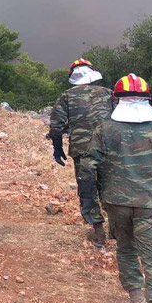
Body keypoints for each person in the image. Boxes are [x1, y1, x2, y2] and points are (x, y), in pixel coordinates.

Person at [78, 74, 152, 303]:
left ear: (116, 100)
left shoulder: (105, 129)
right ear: (148, 99)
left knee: (125, 249)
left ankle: (136, 300)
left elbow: (88, 168)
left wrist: (90, 206)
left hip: (116, 202)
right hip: (150, 204)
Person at [49, 58, 114, 248]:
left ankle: (98, 230)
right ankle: (117, 227)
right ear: (92, 73)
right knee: (109, 185)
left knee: (87, 187)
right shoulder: (109, 94)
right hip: (109, 148)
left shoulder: (67, 96)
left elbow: (56, 126)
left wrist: (57, 148)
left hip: (82, 149)